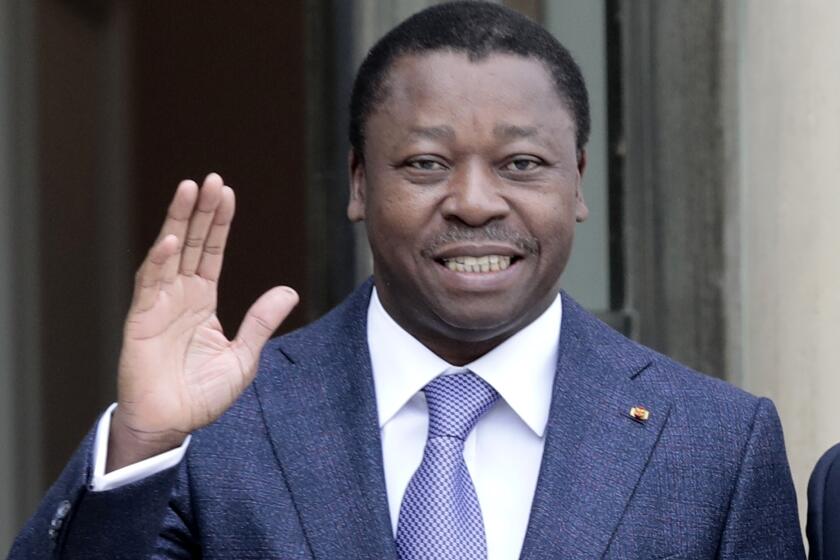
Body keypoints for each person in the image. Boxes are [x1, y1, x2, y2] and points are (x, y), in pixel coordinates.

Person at [10, 2, 804, 558]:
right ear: (358, 183)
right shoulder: (220, 432)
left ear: (579, 182)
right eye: (425, 164)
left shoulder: (715, 448)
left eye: (521, 165)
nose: (473, 202)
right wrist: (147, 441)